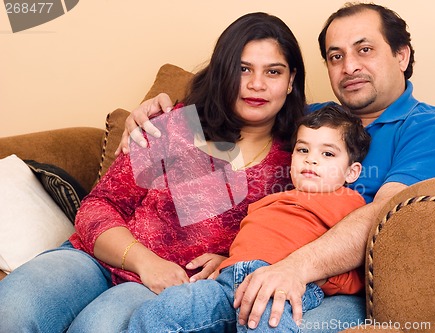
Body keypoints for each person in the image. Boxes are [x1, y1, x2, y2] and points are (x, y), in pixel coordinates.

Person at [118, 3, 435, 331]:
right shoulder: (309, 118)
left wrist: (292, 268)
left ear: (401, 55)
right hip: (253, 267)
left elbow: (381, 216)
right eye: (335, 56)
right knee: (162, 314)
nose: (349, 66)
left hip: (338, 289)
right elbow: (232, 118)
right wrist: (164, 114)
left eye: (364, 49)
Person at [0, 12, 307, 333]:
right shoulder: (175, 123)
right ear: (222, 73)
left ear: (290, 81)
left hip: (168, 288)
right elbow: (98, 206)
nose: (256, 84)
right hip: (95, 257)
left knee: (99, 327)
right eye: (243, 69)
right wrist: (146, 262)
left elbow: (289, 236)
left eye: (273, 71)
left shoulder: (301, 159)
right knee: (12, 307)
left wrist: (231, 263)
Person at [127, 105, 371, 332]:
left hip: (281, 286)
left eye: (328, 153)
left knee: (267, 319)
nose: (311, 159)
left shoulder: (348, 202)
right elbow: (256, 243)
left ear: (352, 171)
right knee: (159, 311)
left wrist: (327, 278)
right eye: (303, 149)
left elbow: (356, 259)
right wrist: (228, 260)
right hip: (227, 281)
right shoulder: (269, 200)